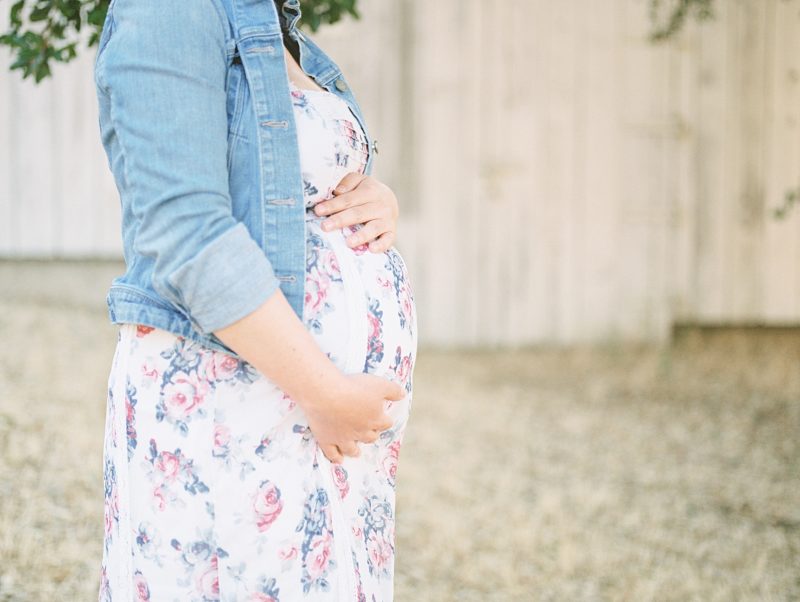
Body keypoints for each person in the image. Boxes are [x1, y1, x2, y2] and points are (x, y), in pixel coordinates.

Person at [93, 0, 418, 599]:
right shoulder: (172, 9)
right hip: (241, 405)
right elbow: (185, 231)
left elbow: (290, 183)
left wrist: (373, 198)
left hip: (311, 412)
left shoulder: (276, 25)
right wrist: (325, 391)